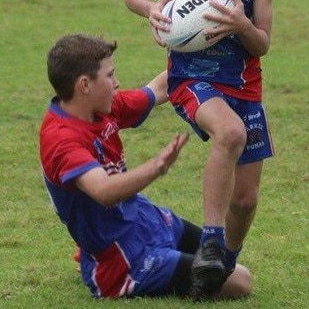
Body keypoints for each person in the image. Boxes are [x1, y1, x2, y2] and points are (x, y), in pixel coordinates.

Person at [124, 0, 301, 299]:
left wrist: (242, 23)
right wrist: (151, 11)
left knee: (246, 201)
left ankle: (221, 262)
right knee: (230, 132)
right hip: (190, 80)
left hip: (244, 86)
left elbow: (261, 45)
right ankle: (210, 240)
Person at [39, 33, 252, 300]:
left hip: (144, 220)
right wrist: (156, 167)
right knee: (241, 281)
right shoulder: (61, 139)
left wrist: (203, 50)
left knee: (222, 257)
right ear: (85, 84)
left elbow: (159, 88)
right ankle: (101, 260)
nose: (117, 84)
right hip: (122, 259)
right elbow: (103, 191)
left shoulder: (103, 107)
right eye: (110, 76)